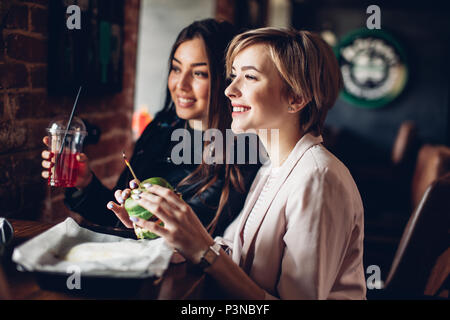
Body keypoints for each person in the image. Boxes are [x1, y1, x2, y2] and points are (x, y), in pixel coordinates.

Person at [112, 27, 366, 299]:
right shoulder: (274, 167)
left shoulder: (317, 178)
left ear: (296, 98)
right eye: (234, 76)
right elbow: (231, 254)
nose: (230, 90)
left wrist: (203, 249)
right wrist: (162, 228)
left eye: (250, 77)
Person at [41, 19, 261, 237]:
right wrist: (85, 184)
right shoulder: (161, 128)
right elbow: (117, 218)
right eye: (176, 69)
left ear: (226, 79)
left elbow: (189, 240)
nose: (181, 85)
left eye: (199, 73)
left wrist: (141, 223)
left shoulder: (239, 153)